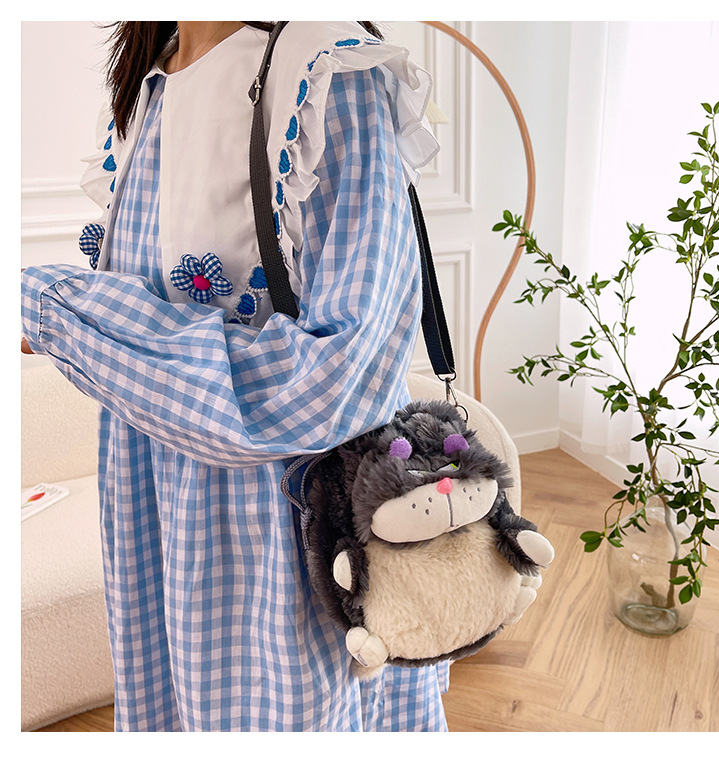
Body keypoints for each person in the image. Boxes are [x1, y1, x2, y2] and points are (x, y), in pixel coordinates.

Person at [21, 20, 451, 731]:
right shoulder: (148, 82)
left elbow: (337, 379)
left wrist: (59, 312)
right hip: (150, 508)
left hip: (282, 535)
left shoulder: (326, 75)